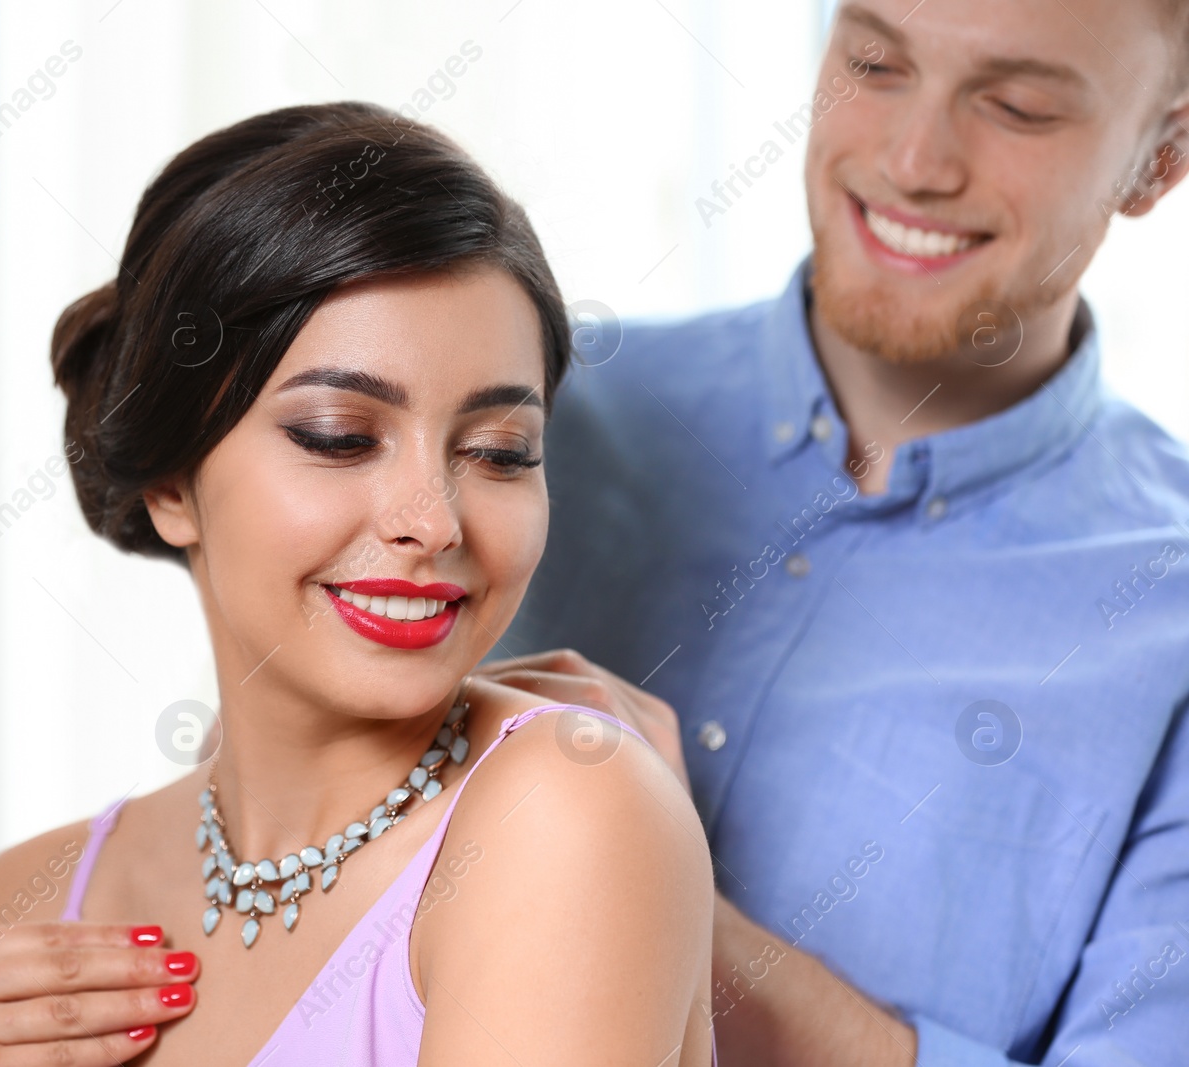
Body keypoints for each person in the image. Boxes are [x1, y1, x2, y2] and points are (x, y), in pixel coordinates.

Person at [0, 102, 715, 1066]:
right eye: (339, 437)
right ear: (172, 483)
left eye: (499, 451)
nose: (431, 521)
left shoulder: (565, 811)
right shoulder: (28, 906)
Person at [485, 1, 1189, 1064]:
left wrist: (640, 893)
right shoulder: (519, 422)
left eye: (1015, 106)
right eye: (874, 61)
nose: (912, 161)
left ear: (1159, 157)